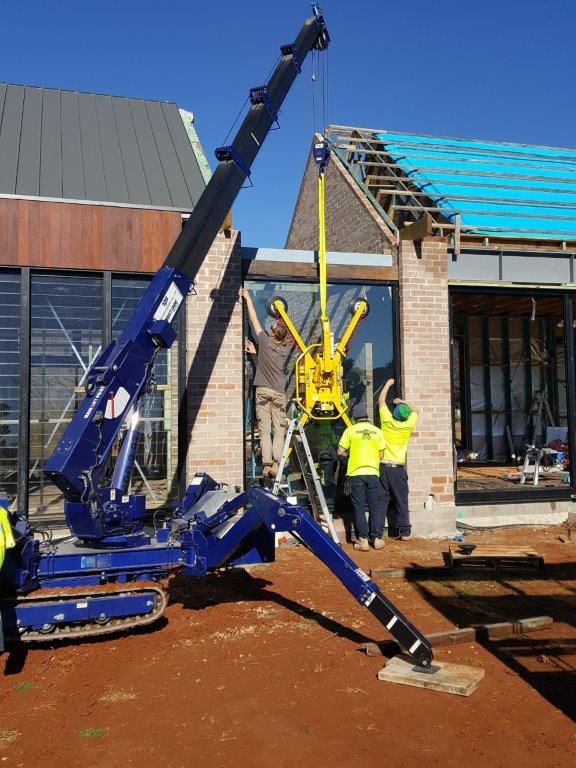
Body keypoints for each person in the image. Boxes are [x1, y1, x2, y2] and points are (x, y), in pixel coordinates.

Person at [239, 287, 291, 478]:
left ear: (272, 334)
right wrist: (257, 353)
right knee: (279, 430)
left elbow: (253, 319)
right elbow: (271, 356)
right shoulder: (284, 350)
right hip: (278, 391)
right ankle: (278, 462)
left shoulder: (265, 342)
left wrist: (248, 299)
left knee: (264, 428)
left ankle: (267, 464)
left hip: (262, 390)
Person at [337, 402, 387, 552]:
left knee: (359, 507)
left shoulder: (350, 431)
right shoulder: (377, 431)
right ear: (367, 416)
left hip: (356, 473)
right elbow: (381, 455)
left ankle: (363, 541)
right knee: (375, 506)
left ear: (355, 417)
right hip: (373, 473)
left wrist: (351, 454)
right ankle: (377, 539)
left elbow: (340, 452)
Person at [378, 378, 419, 541]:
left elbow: (381, 400)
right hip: (398, 470)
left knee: (380, 501)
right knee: (401, 500)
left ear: (394, 413)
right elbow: (416, 410)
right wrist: (402, 401)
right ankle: (405, 532)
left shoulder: (387, 421)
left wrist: (387, 384)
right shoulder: (408, 425)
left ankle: (378, 532)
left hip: (382, 467)